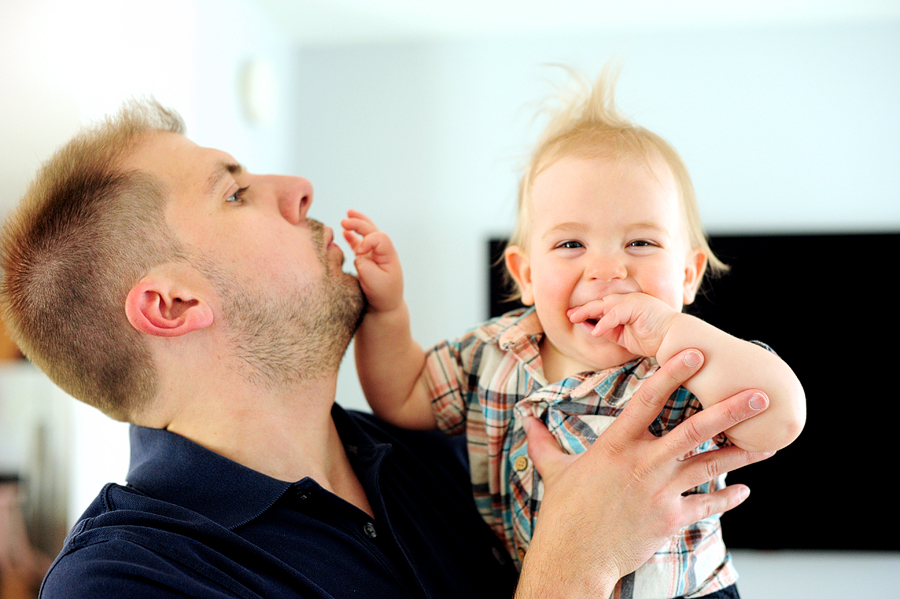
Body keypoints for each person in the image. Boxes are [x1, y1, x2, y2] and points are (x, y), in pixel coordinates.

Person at [0, 99, 773, 599]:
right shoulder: (124, 584)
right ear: (171, 304)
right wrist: (574, 561)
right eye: (234, 192)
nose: (297, 187)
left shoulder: (443, 453)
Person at [342, 69, 805, 598]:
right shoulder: (492, 352)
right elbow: (401, 395)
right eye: (570, 245)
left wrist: (675, 335)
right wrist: (387, 310)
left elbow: (780, 418)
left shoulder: (693, 362)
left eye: (640, 243)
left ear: (688, 274)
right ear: (525, 274)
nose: (606, 269)